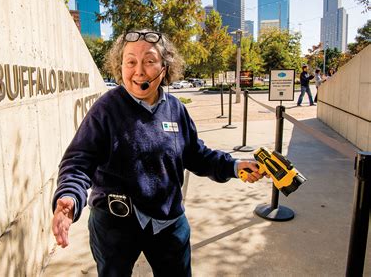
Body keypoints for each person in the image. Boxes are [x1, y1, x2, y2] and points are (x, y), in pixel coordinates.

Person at [51, 29, 265, 277]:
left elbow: (196, 154)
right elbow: (78, 161)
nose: (139, 70)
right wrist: (69, 196)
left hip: (168, 220)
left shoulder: (175, 109)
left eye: (149, 61)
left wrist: (235, 166)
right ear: (119, 66)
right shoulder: (106, 109)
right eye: (130, 61)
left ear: (165, 67)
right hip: (114, 225)